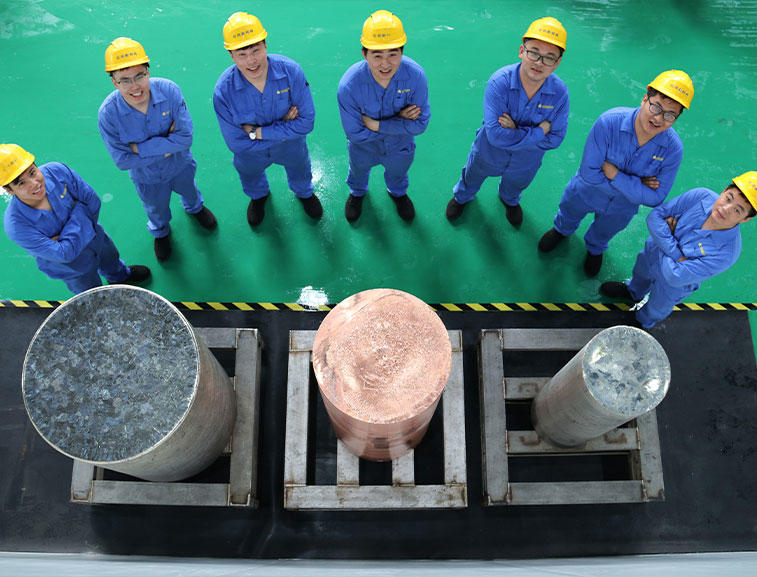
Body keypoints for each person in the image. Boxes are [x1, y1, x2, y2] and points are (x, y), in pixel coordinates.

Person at [538, 70, 694, 277]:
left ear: (676, 118)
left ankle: (595, 248)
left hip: (622, 207)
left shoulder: (673, 149)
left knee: (606, 230)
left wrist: (614, 174)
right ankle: (561, 230)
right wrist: (636, 184)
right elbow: (589, 172)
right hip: (586, 191)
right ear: (645, 99)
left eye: (670, 115)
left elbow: (656, 197)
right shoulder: (609, 122)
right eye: (656, 107)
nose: (658, 118)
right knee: (569, 211)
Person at [98, 37, 217, 262]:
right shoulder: (108, 115)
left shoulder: (170, 91)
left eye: (139, 76)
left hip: (181, 166)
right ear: (114, 82)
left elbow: (185, 138)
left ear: (148, 72)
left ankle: (195, 208)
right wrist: (167, 146)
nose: (135, 86)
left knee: (190, 190)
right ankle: (160, 231)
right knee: (155, 208)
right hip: (147, 178)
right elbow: (123, 161)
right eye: (125, 81)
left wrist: (138, 149)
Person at [445, 17, 568, 226]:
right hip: (488, 152)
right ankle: (462, 196)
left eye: (549, 58)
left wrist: (515, 129)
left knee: (517, 184)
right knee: (472, 176)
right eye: (534, 52)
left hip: (526, 161)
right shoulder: (499, 82)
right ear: (522, 51)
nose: (539, 62)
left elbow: (556, 138)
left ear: (557, 63)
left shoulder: (560, 93)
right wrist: (539, 131)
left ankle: (509, 200)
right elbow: (495, 135)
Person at [600, 172, 756, 329]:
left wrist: (667, 235)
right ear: (724, 191)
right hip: (651, 254)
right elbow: (654, 217)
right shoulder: (701, 196)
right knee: (640, 273)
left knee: (657, 307)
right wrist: (677, 254)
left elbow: (675, 276)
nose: (726, 209)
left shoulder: (727, 253)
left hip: (672, 286)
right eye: (729, 198)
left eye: (737, 210)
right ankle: (633, 292)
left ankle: (642, 322)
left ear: (745, 219)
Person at [213, 12, 322, 227]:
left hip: (291, 148)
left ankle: (304, 192)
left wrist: (256, 132)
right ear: (231, 56)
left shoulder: (291, 72)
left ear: (265, 45)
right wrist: (285, 125)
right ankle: (258, 196)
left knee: (300, 169)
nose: (251, 61)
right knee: (250, 175)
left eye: (256, 50)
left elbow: (307, 122)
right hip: (252, 154)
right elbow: (236, 144)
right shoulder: (224, 92)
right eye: (242, 54)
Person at [2, 144, 150, 294]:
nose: (34, 183)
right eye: (21, 183)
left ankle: (120, 276)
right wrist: (80, 211)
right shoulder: (17, 226)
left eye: (32, 172)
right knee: (91, 294)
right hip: (73, 268)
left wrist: (63, 239)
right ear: (9, 190)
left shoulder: (57, 172)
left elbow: (92, 201)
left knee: (110, 259)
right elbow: (64, 254)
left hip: (97, 238)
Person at [338, 9, 430, 223]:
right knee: (358, 171)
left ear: (402, 52)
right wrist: (400, 121)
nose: (385, 64)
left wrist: (375, 124)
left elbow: (421, 124)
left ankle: (397, 193)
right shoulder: (349, 86)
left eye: (393, 55)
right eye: (377, 56)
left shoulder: (415, 77)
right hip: (364, 147)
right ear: (364, 54)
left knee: (398, 173)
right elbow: (354, 133)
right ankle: (357, 192)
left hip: (401, 148)